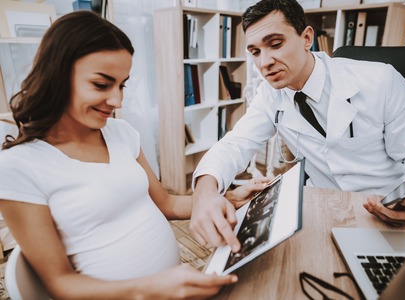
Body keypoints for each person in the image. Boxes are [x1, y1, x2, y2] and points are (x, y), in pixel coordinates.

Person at [0, 11, 269, 299]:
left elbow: (166, 203)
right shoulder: (18, 167)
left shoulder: (121, 132)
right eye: (102, 85)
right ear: (57, 76)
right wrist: (147, 289)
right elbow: (59, 283)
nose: (117, 101)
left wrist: (222, 200)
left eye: (122, 84)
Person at [190, 0, 405, 252]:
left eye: (275, 44)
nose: (264, 62)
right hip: (324, 211)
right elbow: (236, 143)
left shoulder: (380, 80)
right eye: (255, 52)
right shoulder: (269, 95)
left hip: (387, 209)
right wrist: (205, 189)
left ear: (306, 38)